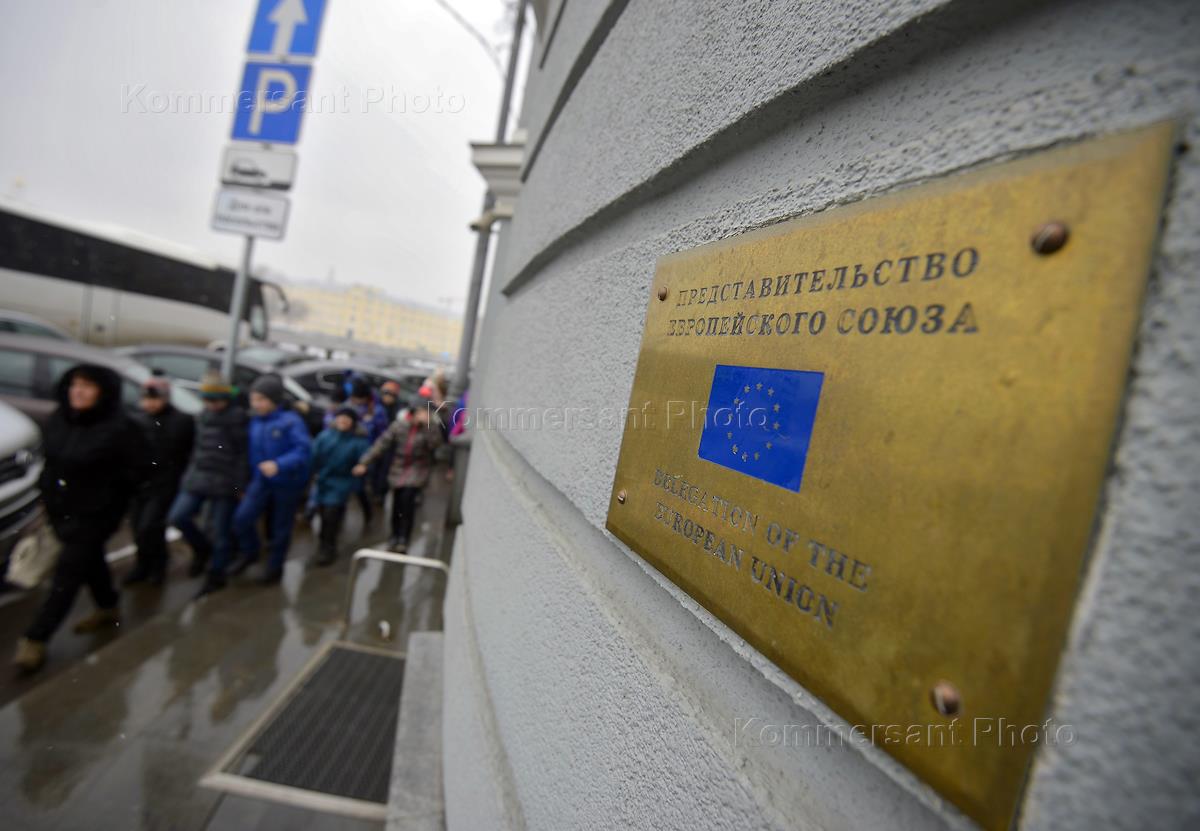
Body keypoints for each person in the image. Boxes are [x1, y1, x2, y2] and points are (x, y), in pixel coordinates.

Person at [13, 365, 152, 673]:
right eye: (75, 384)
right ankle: (108, 606)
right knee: (91, 562)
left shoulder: (121, 429)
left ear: (103, 393)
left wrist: (111, 500)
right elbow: (51, 462)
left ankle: (35, 638)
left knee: (67, 574)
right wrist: (46, 494)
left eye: (88, 386)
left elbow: (142, 471)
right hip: (59, 510)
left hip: (95, 516)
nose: (78, 391)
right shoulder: (61, 418)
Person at [168, 372, 249, 599]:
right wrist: (189, 476)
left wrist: (239, 486)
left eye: (215, 400)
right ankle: (202, 549)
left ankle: (216, 574)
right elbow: (198, 449)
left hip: (225, 481)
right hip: (200, 477)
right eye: (207, 400)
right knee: (177, 517)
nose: (211, 405)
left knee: (221, 532)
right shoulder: (203, 416)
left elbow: (242, 455)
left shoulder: (237, 418)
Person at [229, 375, 312, 584]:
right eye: (253, 399)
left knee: (280, 527)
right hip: (261, 480)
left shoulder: (291, 421)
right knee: (241, 518)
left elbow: (303, 451)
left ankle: (275, 568)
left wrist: (279, 464)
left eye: (261, 399)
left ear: (273, 400)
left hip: (287, 483)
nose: (256, 404)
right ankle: (250, 551)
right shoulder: (255, 421)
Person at [125, 371, 195, 586]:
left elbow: (188, 454)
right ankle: (142, 565)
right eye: (146, 399)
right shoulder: (137, 420)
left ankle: (158, 566)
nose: (150, 404)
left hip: (165, 484)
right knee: (137, 527)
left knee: (150, 526)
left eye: (155, 399)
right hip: (139, 484)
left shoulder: (181, 421)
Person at [353, 398, 442, 552]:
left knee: (408, 502)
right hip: (398, 469)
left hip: (417, 469)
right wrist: (364, 462)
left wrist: (428, 426)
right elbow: (382, 444)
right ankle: (394, 535)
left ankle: (404, 538)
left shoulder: (430, 428)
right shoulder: (399, 426)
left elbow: (435, 445)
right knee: (397, 503)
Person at [310, 406, 370, 566]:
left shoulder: (359, 441)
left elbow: (365, 460)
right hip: (323, 481)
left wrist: (362, 468)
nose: (343, 421)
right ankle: (323, 543)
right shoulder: (325, 436)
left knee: (331, 515)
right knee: (323, 514)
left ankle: (328, 548)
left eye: (347, 418)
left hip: (342, 483)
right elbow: (313, 456)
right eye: (340, 417)